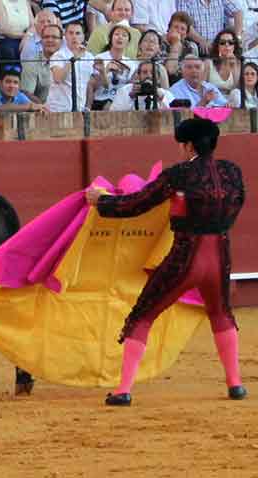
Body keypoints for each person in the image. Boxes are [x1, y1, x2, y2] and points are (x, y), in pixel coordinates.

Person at [85, 117, 246, 406]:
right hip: (220, 255)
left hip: (186, 257)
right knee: (221, 313)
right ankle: (235, 384)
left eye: (181, 145)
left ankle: (123, 389)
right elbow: (237, 203)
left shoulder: (179, 175)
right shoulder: (232, 172)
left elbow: (135, 204)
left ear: (188, 146)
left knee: (144, 313)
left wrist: (101, 202)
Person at [46, 21, 94, 113]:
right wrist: (73, 59)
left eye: (78, 33)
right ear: (65, 36)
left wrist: (104, 71)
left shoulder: (89, 57)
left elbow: (91, 84)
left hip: (80, 110)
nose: (74, 37)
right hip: (58, 110)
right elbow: (58, 78)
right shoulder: (58, 56)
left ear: (83, 37)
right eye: (71, 33)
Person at [109, 60, 174, 111]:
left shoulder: (166, 94)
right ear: (138, 76)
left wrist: (161, 98)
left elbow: (173, 116)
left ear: (159, 78)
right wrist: (131, 98)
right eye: (145, 72)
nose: (149, 76)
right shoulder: (125, 90)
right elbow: (114, 113)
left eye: (153, 72)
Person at [204, 29, 242, 96]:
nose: (227, 45)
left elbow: (238, 89)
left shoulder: (239, 63)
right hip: (212, 101)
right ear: (217, 46)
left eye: (230, 42)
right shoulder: (208, 63)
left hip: (231, 103)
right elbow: (202, 88)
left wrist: (234, 66)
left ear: (234, 46)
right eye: (222, 42)